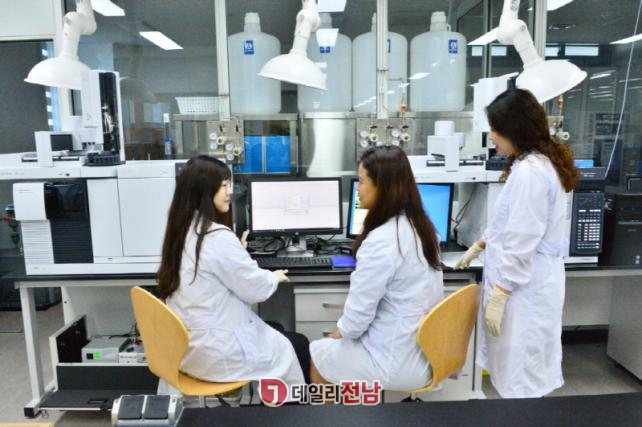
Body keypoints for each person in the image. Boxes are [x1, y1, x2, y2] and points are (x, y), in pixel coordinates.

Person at [454, 89, 578, 398]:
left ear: (515, 129)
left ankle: (521, 417)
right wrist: (481, 244)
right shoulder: (529, 165)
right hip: (524, 285)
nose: (491, 136)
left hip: (525, 291)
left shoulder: (532, 173)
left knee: (522, 378)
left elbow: (522, 240)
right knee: (514, 372)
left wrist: (502, 293)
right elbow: (508, 220)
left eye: (495, 129)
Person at [156, 155, 307, 395]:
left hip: (186, 350)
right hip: (216, 353)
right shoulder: (217, 238)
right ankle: (291, 412)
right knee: (293, 345)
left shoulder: (180, 232)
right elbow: (255, 288)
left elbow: (214, 271)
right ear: (204, 191)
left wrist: (238, 252)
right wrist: (274, 276)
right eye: (223, 185)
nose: (230, 192)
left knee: (274, 328)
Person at [309, 146, 444, 391]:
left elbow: (356, 320)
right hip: (429, 354)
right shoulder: (424, 229)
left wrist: (339, 333)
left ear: (381, 186)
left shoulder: (382, 240)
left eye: (361, 181)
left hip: (396, 362)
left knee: (318, 353)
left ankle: (329, 414)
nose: (357, 189)